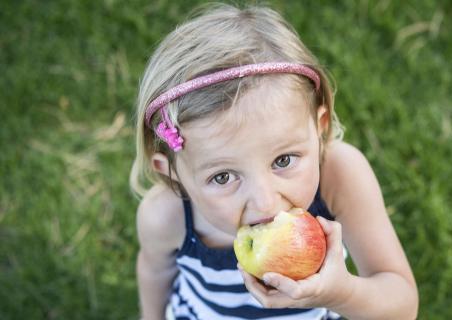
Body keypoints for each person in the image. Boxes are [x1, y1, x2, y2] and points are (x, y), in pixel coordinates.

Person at [130, 3, 418, 320]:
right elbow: (155, 271)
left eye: (283, 160)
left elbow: (401, 304)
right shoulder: (166, 216)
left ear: (318, 129)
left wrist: (341, 293)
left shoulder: (339, 176)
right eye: (223, 177)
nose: (266, 203)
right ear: (174, 175)